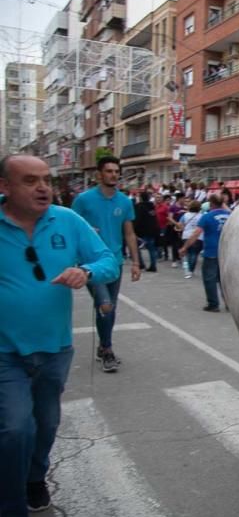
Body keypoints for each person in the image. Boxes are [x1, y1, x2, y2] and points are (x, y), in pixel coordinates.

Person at [0, 154, 118, 517]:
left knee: (46, 423)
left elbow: (109, 260)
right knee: (14, 429)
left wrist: (86, 271)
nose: (42, 188)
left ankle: (36, 476)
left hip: (54, 350)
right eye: (30, 180)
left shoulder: (67, 220)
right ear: (4, 186)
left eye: (46, 180)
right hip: (5, 355)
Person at [71, 156, 142, 372]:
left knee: (110, 307)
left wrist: (136, 263)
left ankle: (103, 347)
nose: (113, 175)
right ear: (99, 175)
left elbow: (129, 233)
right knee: (105, 305)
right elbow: (70, 227)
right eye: (108, 171)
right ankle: (107, 349)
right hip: (91, 264)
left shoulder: (124, 201)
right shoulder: (83, 200)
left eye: (116, 171)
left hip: (115, 263)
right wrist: (85, 232)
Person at [179, 194, 231, 312]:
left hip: (211, 251)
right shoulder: (229, 215)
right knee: (224, 279)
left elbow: (196, 233)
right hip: (226, 251)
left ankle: (213, 303)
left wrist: (185, 247)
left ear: (211, 204)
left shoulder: (207, 217)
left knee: (209, 278)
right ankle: (229, 303)